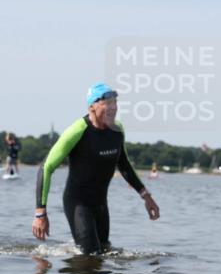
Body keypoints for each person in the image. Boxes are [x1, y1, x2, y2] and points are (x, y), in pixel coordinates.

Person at [32, 82, 159, 254]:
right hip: (78, 203)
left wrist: (146, 196)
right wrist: (40, 213)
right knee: (91, 256)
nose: (113, 107)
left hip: (101, 204)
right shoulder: (77, 131)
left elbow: (124, 164)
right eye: (107, 103)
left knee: (104, 252)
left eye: (115, 102)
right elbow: (47, 168)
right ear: (92, 106)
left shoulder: (117, 130)